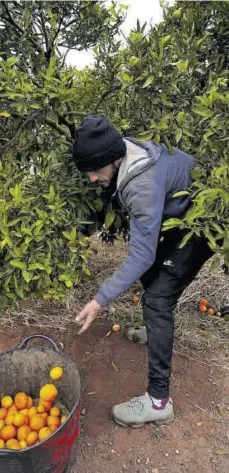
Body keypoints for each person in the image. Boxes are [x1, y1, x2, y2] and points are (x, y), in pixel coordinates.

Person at [72, 114, 213, 428]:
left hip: (202, 224)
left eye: (94, 170)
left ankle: (158, 402)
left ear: (112, 158)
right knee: (152, 279)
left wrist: (99, 300)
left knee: (158, 299)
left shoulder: (141, 184)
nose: (92, 179)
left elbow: (140, 255)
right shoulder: (129, 148)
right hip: (185, 213)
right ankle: (155, 331)